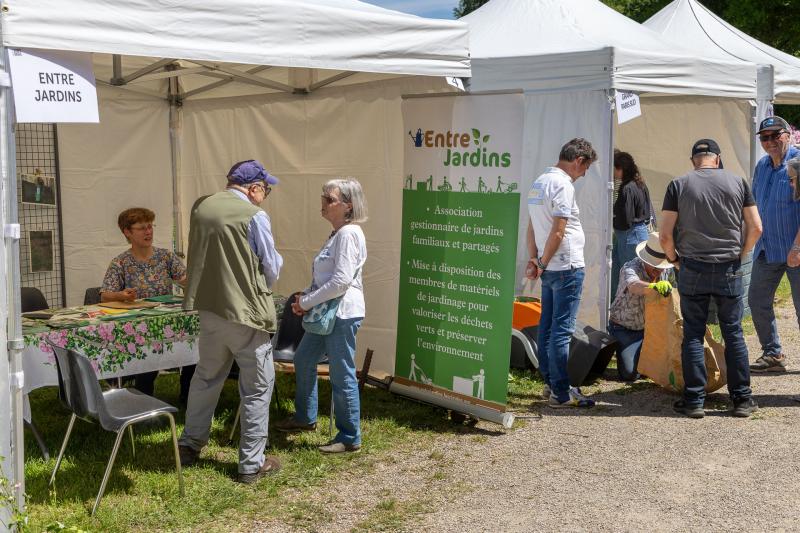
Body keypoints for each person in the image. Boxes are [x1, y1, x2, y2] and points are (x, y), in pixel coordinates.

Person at [178, 159, 283, 484]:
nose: (265, 195)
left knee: (206, 378)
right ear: (253, 189)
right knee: (256, 389)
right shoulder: (255, 215)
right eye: (265, 189)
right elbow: (271, 268)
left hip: (209, 308)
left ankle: (190, 445)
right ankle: (251, 464)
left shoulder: (201, 207)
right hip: (246, 313)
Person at [660, 139, 762, 419]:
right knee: (733, 332)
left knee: (693, 333)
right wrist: (741, 254)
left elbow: (665, 235)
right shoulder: (738, 182)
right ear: (717, 158)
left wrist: (674, 260)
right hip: (728, 266)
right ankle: (742, 400)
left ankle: (694, 400)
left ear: (694, 160)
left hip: (692, 267)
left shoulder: (678, 184)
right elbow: (756, 227)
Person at [275, 178, 368, 453]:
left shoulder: (349, 234)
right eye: (324, 197)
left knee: (342, 374)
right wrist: (305, 297)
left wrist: (306, 302)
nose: (323, 202)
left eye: (330, 199)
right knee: (304, 359)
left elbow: (340, 281)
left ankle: (349, 437)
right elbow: (326, 277)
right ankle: (305, 417)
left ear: (348, 206)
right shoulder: (338, 233)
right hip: (329, 313)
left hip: (341, 314)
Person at [526, 138, 597, 408]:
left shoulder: (539, 181)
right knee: (561, 331)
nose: (585, 173)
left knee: (547, 327)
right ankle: (561, 392)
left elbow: (531, 227)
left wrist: (535, 259)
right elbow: (558, 231)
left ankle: (551, 383)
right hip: (565, 266)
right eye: (586, 167)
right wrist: (541, 262)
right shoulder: (563, 185)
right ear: (578, 161)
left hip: (551, 268)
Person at [100, 207, 187, 397]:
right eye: (141, 228)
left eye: (150, 227)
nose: (148, 232)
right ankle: (143, 397)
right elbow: (105, 295)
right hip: (140, 329)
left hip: (170, 323)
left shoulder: (166, 257)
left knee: (193, 345)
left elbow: (186, 281)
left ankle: (189, 395)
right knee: (147, 354)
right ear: (127, 232)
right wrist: (122, 295)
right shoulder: (121, 262)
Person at [747, 116, 800, 373]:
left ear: (787, 134)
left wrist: (797, 248)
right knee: (756, 300)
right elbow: (755, 205)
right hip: (768, 249)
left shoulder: (798, 163)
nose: (769, 142)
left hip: (796, 251)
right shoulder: (762, 166)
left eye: (774, 135)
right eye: (764, 138)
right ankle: (773, 354)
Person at [608, 232, 673, 382]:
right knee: (630, 374)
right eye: (656, 267)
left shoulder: (665, 270)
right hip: (624, 329)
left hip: (649, 329)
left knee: (661, 367)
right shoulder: (630, 268)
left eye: (662, 267)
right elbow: (633, 285)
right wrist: (653, 286)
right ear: (645, 260)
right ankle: (625, 348)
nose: (660, 271)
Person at [611, 150, 652, 297]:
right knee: (623, 273)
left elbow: (625, 220)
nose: (613, 173)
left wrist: (612, 218)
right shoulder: (640, 184)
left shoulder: (627, 188)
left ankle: (624, 313)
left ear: (620, 168)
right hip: (639, 233)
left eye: (614, 169)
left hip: (630, 236)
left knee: (629, 276)